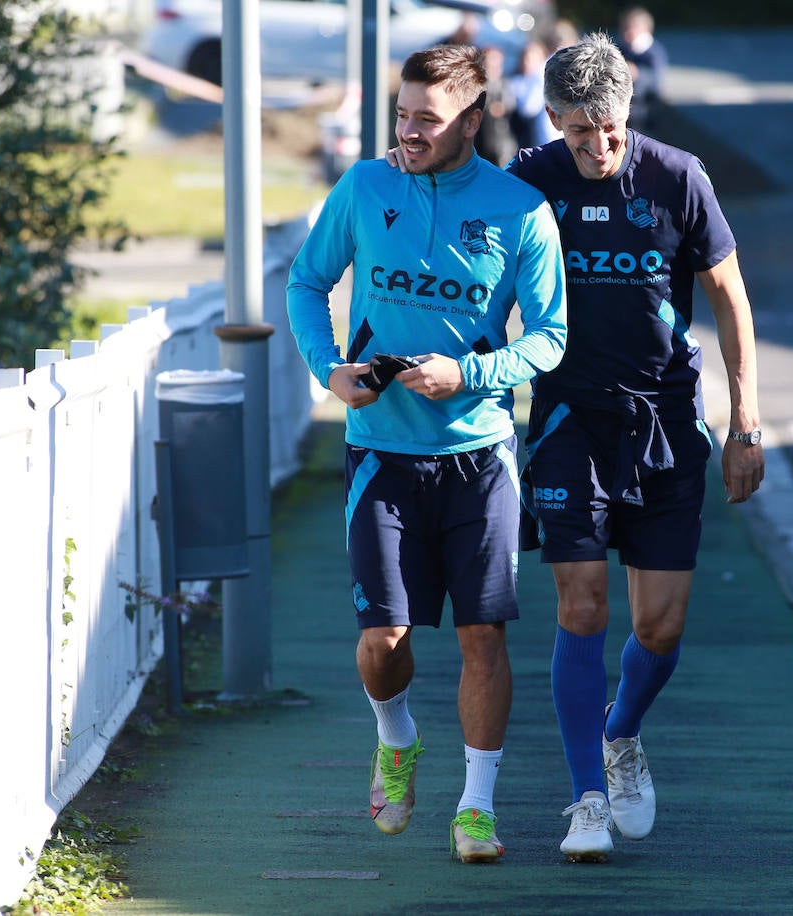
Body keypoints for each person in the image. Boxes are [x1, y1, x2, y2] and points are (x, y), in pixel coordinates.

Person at [284, 44, 567, 864]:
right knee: (386, 642)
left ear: (472, 122)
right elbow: (306, 283)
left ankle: (476, 807)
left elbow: (549, 340)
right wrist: (329, 369)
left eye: (427, 121)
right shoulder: (366, 187)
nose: (408, 133)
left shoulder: (521, 211)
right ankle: (395, 736)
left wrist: (470, 373)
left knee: (484, 639)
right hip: (380, 452)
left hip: (480, 455)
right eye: (402, 116)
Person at [510, 33, 764, 863]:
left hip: (663, 424)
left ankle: (622, 734)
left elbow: (730, 298)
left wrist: (744, 426)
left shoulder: (678, 178)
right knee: (581, 605)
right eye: (580, 132)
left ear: (629, 111)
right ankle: (585, 799)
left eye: (610, 128)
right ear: (554, 120)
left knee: (659, 626)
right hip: (568, 422)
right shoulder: (530, 181)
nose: (599, 146)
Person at [615, 7, 667, 130]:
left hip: (644, 107)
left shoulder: (652, 52)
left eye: (633, 29)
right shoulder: (622, 48)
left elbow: (655, 80)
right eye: (626, 29)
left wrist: (637, 74)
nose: (628, 33)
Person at [506, 39, 558, 150]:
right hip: (529, 142)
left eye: (531, 59)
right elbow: (526, 109)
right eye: (525, 58)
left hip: (550, 137)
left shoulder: (546, 79)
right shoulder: (515, 82)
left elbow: (529, 107)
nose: (526, 62)